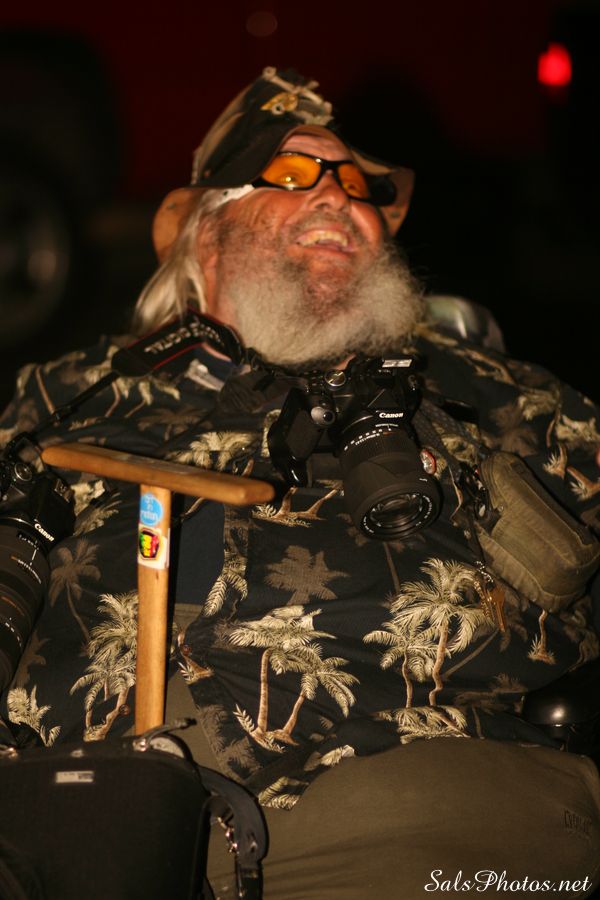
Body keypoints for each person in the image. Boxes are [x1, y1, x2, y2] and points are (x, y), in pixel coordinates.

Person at [1, 66, 600, 898]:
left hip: (410, 816)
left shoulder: (501, 395)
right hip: (63, 823)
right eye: (289, 173)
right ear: (204, 230)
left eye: (356, 184)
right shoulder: (65, 397)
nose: (336, 195)